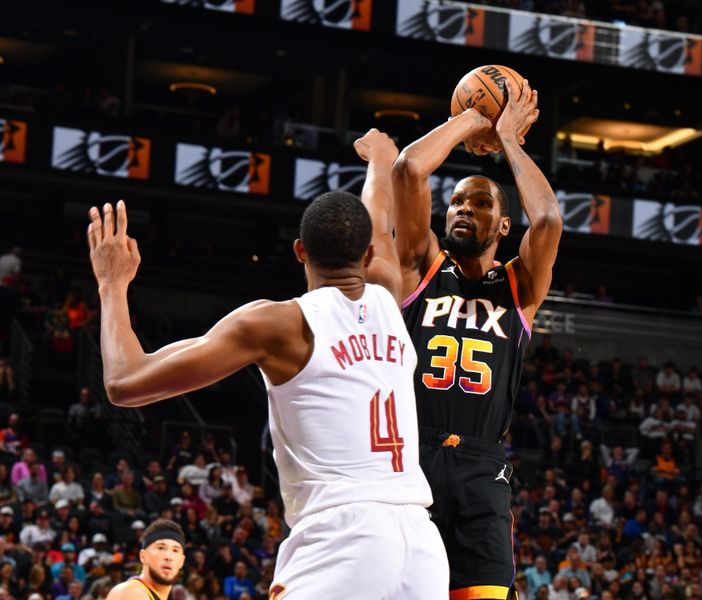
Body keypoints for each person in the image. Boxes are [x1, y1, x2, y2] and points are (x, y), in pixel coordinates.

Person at [86, 185, 448, 594]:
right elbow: (380, 215)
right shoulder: (388, 295)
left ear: (299, 251)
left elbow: (124, 382)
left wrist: (111, 284)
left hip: (344, 537)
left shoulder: (277, 325)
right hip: (422, 545)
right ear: (367, 256)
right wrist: (380, 157)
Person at [389, 78, 562, 598]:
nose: (464, 208)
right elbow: (408, 169)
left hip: (482, 471)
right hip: (410, 461)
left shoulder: (519, 285)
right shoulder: (419, 265)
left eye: (480, 203)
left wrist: (508, 137)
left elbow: (550, 219)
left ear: (504, 224)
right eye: (458, 202)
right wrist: (470, 118)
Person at [106, 519, 186, 600]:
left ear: (181, 561)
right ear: (143, 556)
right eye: (161, 548)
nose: (169, 556)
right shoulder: (132, 591)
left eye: (175, 550)